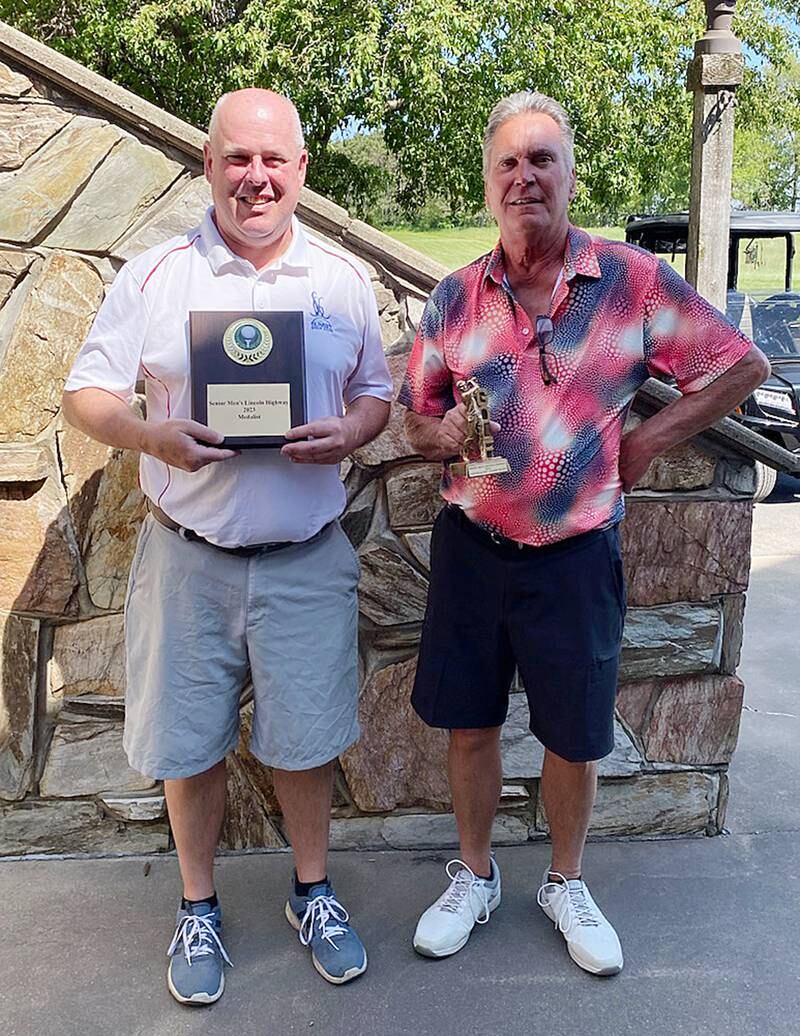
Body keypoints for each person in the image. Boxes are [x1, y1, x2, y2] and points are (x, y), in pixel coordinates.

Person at [399, 90, 769, 976]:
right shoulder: (455, 297)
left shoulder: (632, 282)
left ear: (570, 176)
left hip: (576, 555)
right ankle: (476, 875)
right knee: (469, 724)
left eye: (542, 160)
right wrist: (438, 433)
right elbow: (416, 415)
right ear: (488, 187)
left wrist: (647, 439)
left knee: (573, 734)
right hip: (474, 550)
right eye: (508, 164)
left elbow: (739, 365)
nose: (524, 177)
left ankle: (565, 881)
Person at [62, 88, 392, 1004]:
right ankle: (198, 905)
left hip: (305, 556)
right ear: (208, 164)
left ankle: (312, 892)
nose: (256, 178)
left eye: (273, 160)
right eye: (237, 159)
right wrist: (149, 436)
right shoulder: (158, 275)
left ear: (300, 171)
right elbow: (85, 394)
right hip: (188, 557)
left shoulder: (338, 282)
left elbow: (376, 392)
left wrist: (355, 432)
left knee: (306, 743)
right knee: (190, 745)